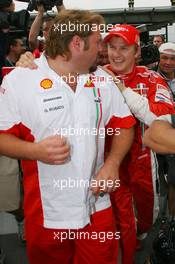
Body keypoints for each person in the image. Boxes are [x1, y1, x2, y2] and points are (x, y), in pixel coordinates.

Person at [0, 10, 135, 264]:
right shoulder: (21, 80)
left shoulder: (102, 80)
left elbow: (125, 125)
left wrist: (113, 163)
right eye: (98, 42)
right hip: (47, 213)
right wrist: (35, 151)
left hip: (97, 206)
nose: (103, 50)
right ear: (77, 43)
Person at [102, 24, 175, 264]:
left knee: (144, 223)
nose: (117, 53)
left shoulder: (151, 78)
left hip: (142, 161)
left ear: (137, 52)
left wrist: (122, 90)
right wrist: (30, 65)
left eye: (124, 48)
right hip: (103, 162)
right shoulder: (93, 77)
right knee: (111, 225)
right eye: (112, 47)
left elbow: (160, 118)